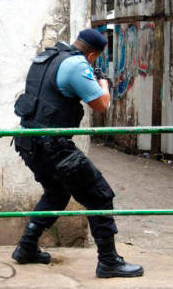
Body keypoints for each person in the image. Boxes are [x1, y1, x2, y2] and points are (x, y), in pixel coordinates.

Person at [12, 29, 144, 278]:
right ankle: (109, 262)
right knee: (100, 196)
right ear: (93, 54)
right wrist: (103, 83)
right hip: (52, 145)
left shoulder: (47, 57)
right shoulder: (76, 64)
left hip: (28, 142)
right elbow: (101, 104)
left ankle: (27, 247)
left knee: (57, 193)